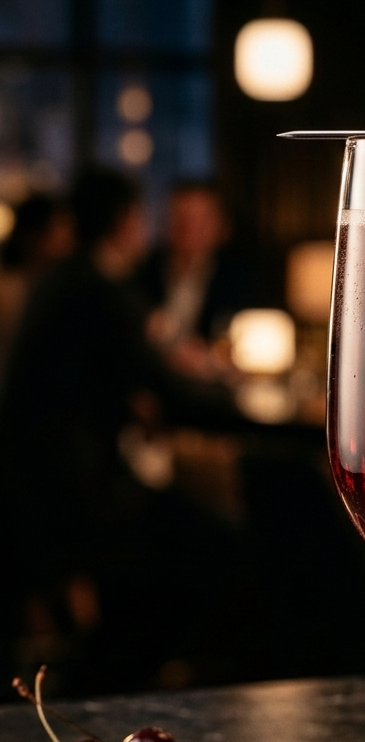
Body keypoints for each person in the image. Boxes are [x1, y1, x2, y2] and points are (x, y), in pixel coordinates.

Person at [0, 167, 244, 695]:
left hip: (36, 486)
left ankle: (110, 674)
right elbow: (169, 389)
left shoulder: (62, 281)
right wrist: (230, 393)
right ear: (125, 223)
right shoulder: (100, 291)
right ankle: (111, 684)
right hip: (74, 495)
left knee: (179, 547)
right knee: (216, 545)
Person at [135, 180, 257, 377]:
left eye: (200, 220)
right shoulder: (141, 273)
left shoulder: (239, 279)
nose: (189, 228)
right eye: (180, 219)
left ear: (222, 226)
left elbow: (249, 348)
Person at [0, 192, 74, 381]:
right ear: (33, 236)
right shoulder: (10, 291)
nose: (68, 238)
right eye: (59, 228)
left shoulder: (49, 287)